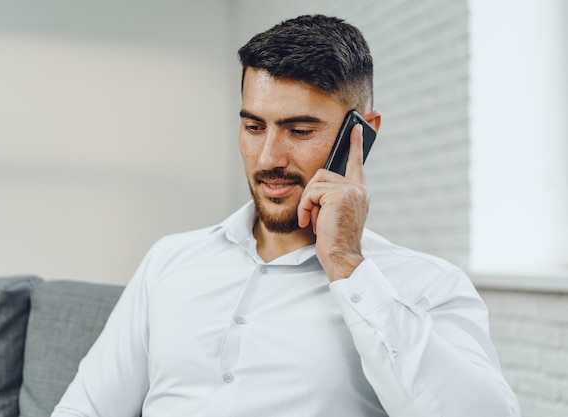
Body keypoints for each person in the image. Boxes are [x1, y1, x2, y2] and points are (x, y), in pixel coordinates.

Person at [52, 14, 520, 417]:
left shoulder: (426, 285)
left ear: (362, 134)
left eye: (299, 130)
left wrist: (345, 264)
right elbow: (87, 407)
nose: (268, 156)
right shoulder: (169, 261)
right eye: (254, 127)